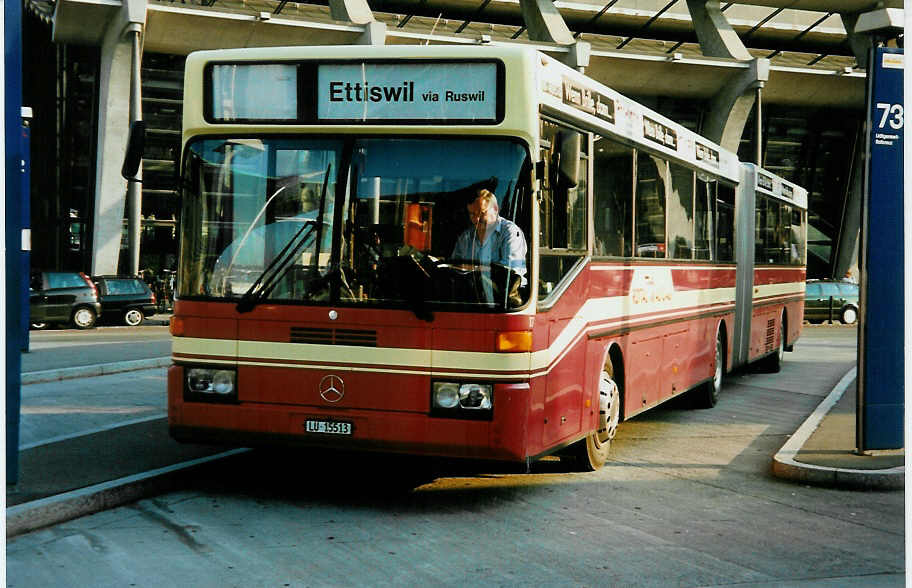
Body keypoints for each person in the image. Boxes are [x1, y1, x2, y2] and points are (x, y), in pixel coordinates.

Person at [451, 189, 527, 302]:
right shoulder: (466, 237)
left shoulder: (510, 232)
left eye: (482, 213)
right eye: (472, 214)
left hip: (505, 298)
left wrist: (473, 269)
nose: (476, 219)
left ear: (495, 209)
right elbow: (454, 267)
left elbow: (509, 274)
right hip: (473, 297)